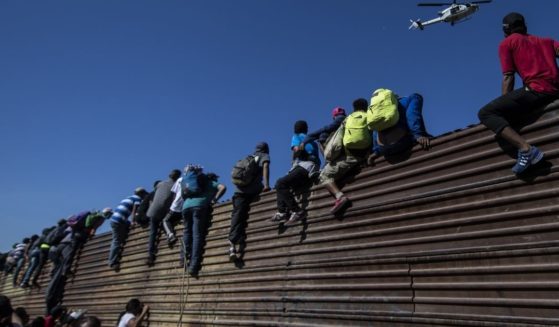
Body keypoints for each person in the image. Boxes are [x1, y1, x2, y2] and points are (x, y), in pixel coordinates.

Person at [478, 12, 559, 174]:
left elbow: (508, 77)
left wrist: (505, 105)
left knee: (486, 113)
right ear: (525, 26)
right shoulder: (547, 41)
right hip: (555, 90)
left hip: (537, 90)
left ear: (506, 30)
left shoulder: (507, 43)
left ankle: (527, 150)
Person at [319, 98, 372, 214]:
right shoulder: (369, 116)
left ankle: (340, 197)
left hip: (351, 157)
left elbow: (338, 142)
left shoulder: (348, 120)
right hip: (365, 154)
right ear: (366, 106)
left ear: (353, 108)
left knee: (324, 175)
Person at [228, 142, 271, 260]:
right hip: (252, 190)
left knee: (237, 216)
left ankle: (232, 245)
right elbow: (266, 166)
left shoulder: (247, 158)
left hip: (238, 191)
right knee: (241, 216)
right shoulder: (263, 155)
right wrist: (267, 185)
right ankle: (237, 242)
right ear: (266, 149)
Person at [271, 121, 320, 225]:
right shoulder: (313, 141)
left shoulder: (296, 136)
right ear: (306, 129)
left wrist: (296, 154)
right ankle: (283, 212)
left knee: (280, 183)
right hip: (313, 168)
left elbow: (296, 150)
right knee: (284, 184)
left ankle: (295, 211)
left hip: (305, 166)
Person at [181, 168, 226, 276]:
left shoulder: (196, 181)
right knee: (197, 235)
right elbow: (223, 187)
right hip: (199, 207)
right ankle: (193, 266)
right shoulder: (212, 182)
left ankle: (182, 259)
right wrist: (215, 199)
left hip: (186, 206)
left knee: (187, 232)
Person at [368, 93, 431, 164]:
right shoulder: (410, 98)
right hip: (400, 144)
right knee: (430, 138)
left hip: (383, 149)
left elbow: (376, 129)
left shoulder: (376, 111)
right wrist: (419, 135)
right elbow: (412, 116)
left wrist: (377, 151)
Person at [146, 169, 181, 266]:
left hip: (152, 211)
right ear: (178, 177)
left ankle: (150, 255)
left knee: (152, 233)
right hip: (164, 211)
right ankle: (170, 235)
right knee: (166, 221)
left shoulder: (159, 184)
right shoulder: (177, 186)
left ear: (169, 175)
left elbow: (155, 197)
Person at [108, 189, 148, 270]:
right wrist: (133, 221)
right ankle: (112, 262)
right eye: (144, 194)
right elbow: (134, 211)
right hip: (119, 221)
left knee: (118, 237)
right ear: (141, 194)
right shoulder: (137, 199)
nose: (144, 196)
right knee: (116, 241)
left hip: (115, 219)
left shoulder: (128, 198)